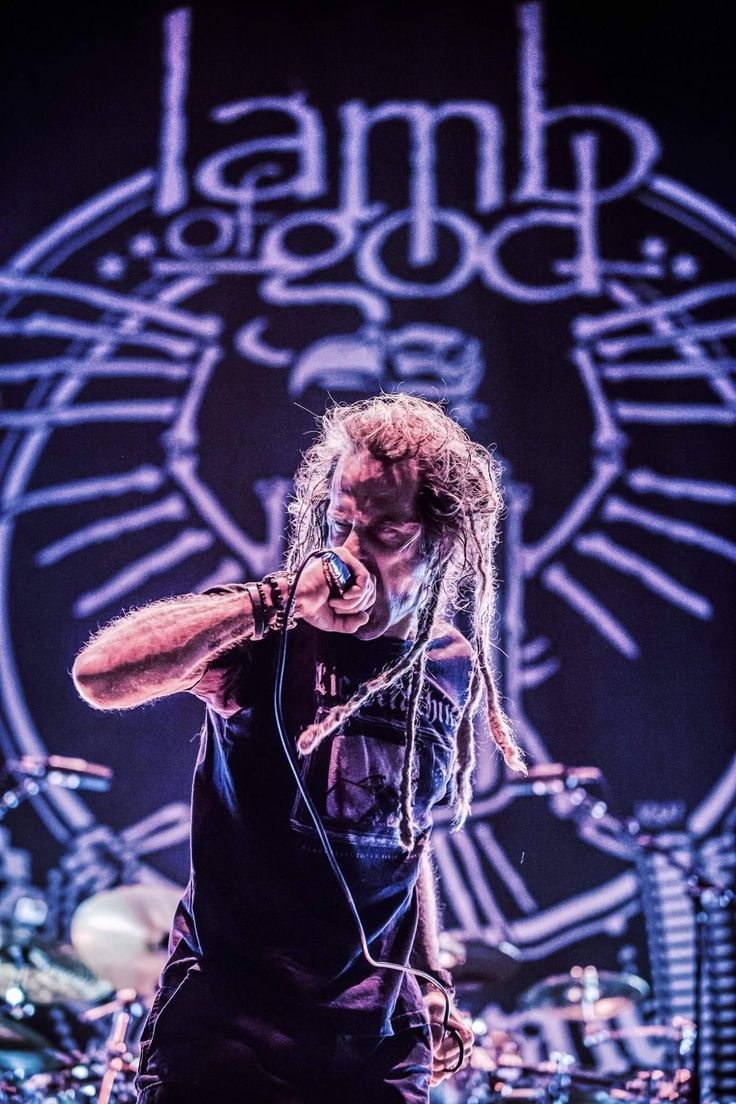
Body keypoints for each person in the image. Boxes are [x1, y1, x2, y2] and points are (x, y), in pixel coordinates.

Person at [72, 394, 526, 1104]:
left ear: (441, 543)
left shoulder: (448, 662)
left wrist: (430, 980)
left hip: (377, 1044)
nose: (352, 552)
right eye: (342, 523)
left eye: (384, 532)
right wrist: (273, 598)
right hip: (231, 1035)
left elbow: (410, 834)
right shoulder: (270, 632)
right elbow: (100, 676)